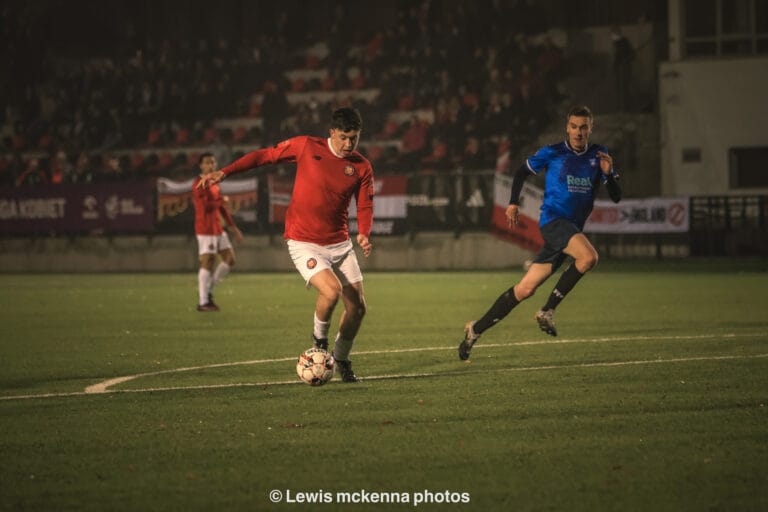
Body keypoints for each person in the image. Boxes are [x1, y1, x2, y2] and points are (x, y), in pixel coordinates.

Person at [197, 107, 374, 382]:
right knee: (331, 291)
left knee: (358, 308)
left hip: (339, 243)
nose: (349, 144)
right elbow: (264, 156)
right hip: (304, 241)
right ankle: (319, 344)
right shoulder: (306, 146)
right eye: (344, 137)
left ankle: (340, 358)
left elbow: (364, 204)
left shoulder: (361, 166)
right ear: (332, 133)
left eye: (354, 138)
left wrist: (364, 232)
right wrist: (225, 172)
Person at [458, 106, 622, 360]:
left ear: (591, 128)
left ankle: (475, 330)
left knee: (525, 289)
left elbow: (616, 197)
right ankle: (547, 310)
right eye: (574, 127)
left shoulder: (600, 155)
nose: (579, 132)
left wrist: (609, 174)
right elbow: (522, 171)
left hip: (571, 230)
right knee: (588, 257)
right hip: (554, 222)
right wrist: (513, 202)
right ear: (567, 127)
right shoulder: (553, 152)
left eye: (584, 127)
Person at [192, 152, 243, 312]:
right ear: (201, 165)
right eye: (207, 163)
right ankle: (203, 302)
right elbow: (206, 206)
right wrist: (222, 200)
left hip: (217, 228)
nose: (211, 165)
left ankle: (207, 291)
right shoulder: (198, 183)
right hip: (205, 228)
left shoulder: (214, 182)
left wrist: (233, 227)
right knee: (207, 261)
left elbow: (220, 208)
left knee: (229, 259)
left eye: (213, 162)